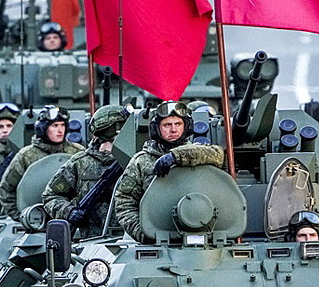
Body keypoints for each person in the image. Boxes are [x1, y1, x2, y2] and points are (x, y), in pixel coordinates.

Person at [114, 101, 226, 243]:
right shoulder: (141, 161)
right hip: (158, 238)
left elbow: (218, 154)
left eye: (178, 124)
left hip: (204, 234)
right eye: (167, 125)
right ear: (156, 129)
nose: (173, 130)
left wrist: (176, 156)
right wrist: (143, 233)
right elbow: (124, 202)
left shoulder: (200, 154)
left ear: (187, 126)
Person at [42, 105, 129, 234]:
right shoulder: (80, 163)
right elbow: (51, 195)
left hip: (130, 241)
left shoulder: (135, 160)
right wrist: (69, 211)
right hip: (91, 243)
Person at [0, 105, 83, 219]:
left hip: (72, 217)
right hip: (37, 220)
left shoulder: (77, 152)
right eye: (54, 126)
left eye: (62, 125)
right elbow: (7, 189)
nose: (60, 130)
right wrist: (21, 217)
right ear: (42, 129)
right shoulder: (27, 156)